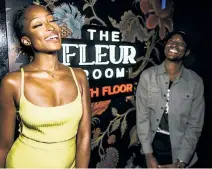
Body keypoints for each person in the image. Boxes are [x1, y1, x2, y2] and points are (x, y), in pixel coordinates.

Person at [0, 4, 91, 168]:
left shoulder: (79, 76)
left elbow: (84, 136)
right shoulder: (12, 82)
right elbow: (3, 145)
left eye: (51, 20)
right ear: (27, 40)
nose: (50, 27)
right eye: (38, 24)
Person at [136, 31, 205, 168]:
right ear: (165, 46)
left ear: (186, 52)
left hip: (181, 151)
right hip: (153, 149)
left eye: (180, 43)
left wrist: (181, 162)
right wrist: (148, 155)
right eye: (171, 41)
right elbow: (142, 118)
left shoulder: (195, 82)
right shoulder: (147, 76)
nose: (174, 45)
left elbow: (195, 125)